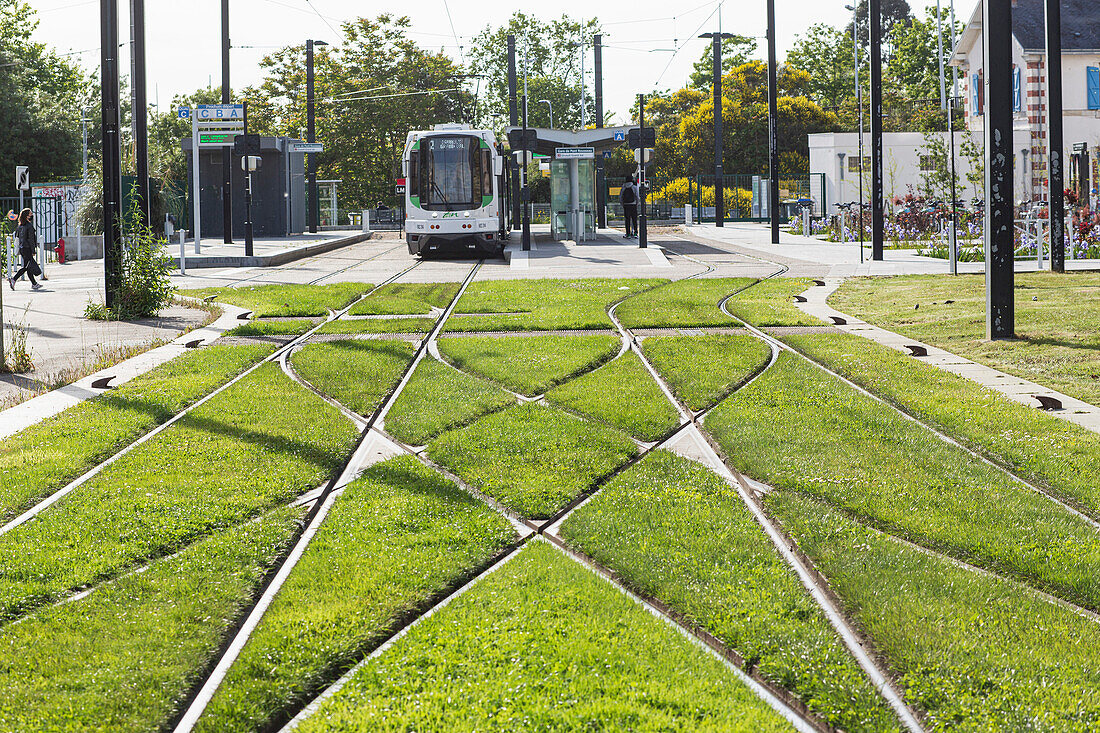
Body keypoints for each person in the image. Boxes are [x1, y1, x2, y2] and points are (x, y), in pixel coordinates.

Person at [9, 208, 42, 291]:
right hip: (27, 248)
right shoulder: (29, 226)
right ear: (27, 216)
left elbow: (18, 237)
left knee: (28, 266)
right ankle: (14, 279)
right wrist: (33, 250)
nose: (32, 215)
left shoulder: (20, 226)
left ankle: (34, 284)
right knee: (26, 266)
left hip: (22, 248)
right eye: (31, 214)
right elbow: (31, 239)